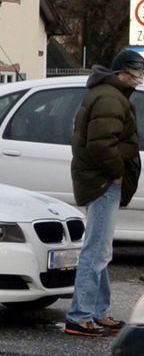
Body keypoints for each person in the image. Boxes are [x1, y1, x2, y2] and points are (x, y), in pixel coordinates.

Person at [66, 50, 143, 337]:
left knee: (101, 249)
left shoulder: (108, 94)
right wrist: (117, 171)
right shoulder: (110, 98)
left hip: (100, 180)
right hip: (103, 182)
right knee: (96, 251)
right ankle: (80, 316)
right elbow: (101, 144)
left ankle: (98, 311)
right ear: (122, 73)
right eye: (135, 75)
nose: (138, 80)